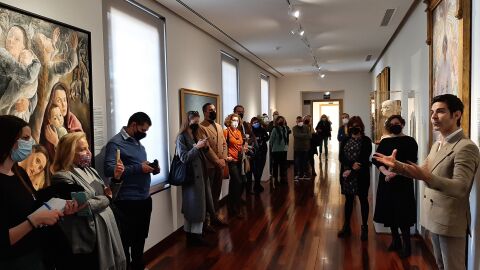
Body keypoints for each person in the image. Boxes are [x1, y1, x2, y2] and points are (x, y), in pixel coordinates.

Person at [374, 94, 480, 269]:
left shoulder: (465, 147)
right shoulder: (437, 144)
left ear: (457, 115)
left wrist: (427, 177)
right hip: (434, 218)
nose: (433, 117)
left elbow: (461, 188)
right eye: (432, 112)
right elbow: (422, 170)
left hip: (450, 222)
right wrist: (396, 165)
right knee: (439, 264)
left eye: (440, 111)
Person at [0, 115, 78, 270]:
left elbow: (32, 206)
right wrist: (33, 221)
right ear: (9, 139)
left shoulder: (19, 173)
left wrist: (59, 209)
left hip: (35, 255)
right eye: (25, 138)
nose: (30, 143)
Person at [51, 132, 126, 270]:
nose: (88, 152)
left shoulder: (91, 170)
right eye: (82, 149)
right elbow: (83, 207)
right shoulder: (62, 177)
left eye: (88, 148)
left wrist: (116, 179)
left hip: (108, 228)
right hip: (89, 236)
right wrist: (106, 198)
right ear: (69, 152)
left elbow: (110, 195)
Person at [104, 112, 158, 270]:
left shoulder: (137, 143)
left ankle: (138, 266)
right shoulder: (115, 143)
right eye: (143, 129)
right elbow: (109, 169)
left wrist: (150, 167)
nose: (145, 133)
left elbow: (137, 165)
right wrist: (139, 168)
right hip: (127, 201)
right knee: (126, 241)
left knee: (140, 239)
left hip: (143, 198)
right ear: (134, 125)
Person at [372, 115, 418, 258]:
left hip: (403, 181)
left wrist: (396, 172)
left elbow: (412, 161)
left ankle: (407, 245)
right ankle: (395, 241)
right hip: (387, 181)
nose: (395, 125)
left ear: (402, 124)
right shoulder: (385, 142)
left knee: (403, 214)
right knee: (390, 212)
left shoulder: (410, 141)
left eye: (397, 123)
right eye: (392, 124)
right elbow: (376, 159)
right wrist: (386, 172)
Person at [176, 111, 211, 246]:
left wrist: (204, 146)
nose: (197, 125)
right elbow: (184, 157)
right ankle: (193, 236)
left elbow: (199, 153)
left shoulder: (195, 134)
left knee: (198, 206)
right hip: (191, 178)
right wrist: (197, 147)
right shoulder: (181, 137)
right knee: (193, 207)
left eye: (198, 122)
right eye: (194, 122)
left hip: (200, 175)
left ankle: (194, 234)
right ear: (188, 121)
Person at [337, 116, 372, 241]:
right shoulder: (345, 140)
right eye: (352, 126)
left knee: (363, 200)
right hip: (347, 176)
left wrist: (354, 167)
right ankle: (346, 227)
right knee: (349, 201)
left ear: (361, 127)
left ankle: (364, 227)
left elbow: (364, 157)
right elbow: (341, 157)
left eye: (357, 126)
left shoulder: (366, 140)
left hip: (361, 175)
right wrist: (351, 165)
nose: (354, 128)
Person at [198, 103, 229, 229]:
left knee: (216, 192)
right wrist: (217, 161)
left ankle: (215, 217)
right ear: (204, 112)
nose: (213, 112)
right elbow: (207, 148)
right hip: (209, 165)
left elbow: (223, 144)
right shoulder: (201, 127)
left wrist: (224, 159)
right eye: (210, 110)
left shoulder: (218, 126)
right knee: (208, 194)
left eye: (214, 109)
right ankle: (206, 222)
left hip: (220, 165)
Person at [40, 82, 83, 160]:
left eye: (65, 100)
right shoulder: (46, 126)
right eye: (59, 101)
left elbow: (80, 154)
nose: (64, 105)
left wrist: (56, 143)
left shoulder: (73, 121)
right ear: (51, 104)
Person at [224, 113, 247, 219]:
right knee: (237, 182)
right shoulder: (226, 132)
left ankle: (231, 206)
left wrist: (244, 148)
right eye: (233, 120)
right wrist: (226, 156)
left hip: (239, 160)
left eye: (237, 121)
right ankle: (236, 208)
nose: (235, 122)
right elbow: (223, 146)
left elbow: (240, 144)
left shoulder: (239, 132)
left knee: (236, 183)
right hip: (231, 161)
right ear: (229, 121)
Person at [250, 117, 269, 194]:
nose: (256, 124)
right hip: (254, 152)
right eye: (254, 123)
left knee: (260, 169)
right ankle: (257, 185)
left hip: (263, 151)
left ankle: (257, 185)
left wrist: (262, 139)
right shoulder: (250, 130)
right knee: (255, 170)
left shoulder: (262, 129)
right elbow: (250, 140)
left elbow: (267, 137)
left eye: (257, 122)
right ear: (251, 123)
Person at [269, 116, 289, 187]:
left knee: (283, 165)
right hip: (276, 150)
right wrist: (272, 148)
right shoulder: (275, 129)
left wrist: (286, 147)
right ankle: (275, 179)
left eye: (282, 120)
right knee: (275, 165)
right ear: (277, 122)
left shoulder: (285, 129)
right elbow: (271, 140)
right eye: (280, 120)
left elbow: (286, 139)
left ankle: (282, 178)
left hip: (283, 150)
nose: (281, 121)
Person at [293, 116, 311, 180]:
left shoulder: (306, 127)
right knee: (297, 162)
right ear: (296, 122)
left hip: (305, 147)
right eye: (298, 121)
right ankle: (298, 174)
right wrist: (305, 135)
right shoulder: (294, 128)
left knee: (305, 162)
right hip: (297, 148)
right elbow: (296, 135)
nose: (300, 122)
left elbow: (310, 136)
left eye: (301, 121)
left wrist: (302, 135)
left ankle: (305, 174)